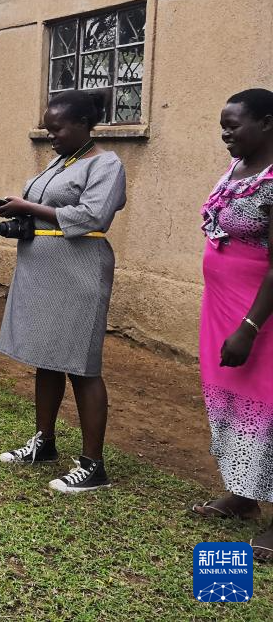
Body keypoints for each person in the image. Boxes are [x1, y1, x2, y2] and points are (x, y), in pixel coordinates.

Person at [0, 90, 126, 494]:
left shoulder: (106, 163)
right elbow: (45, 207)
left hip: (79, 269)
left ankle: (93, 465)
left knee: (82, 365)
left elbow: (93, 215)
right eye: (47, 129)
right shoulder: (60, 160)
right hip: (42, 268)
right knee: (47, 357)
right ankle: (44, 443)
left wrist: (28, 208)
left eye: (57, 129)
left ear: (84, 125)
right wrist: (20, 212)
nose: (50, 135)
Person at [190, 88, 273, 561]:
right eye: (222, 125)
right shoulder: (239, 168)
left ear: (266, 123)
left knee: (268, 408)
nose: (225, 134)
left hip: (258, 315)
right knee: (233, 401)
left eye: (233, 125)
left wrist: (249, 326)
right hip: (221, 307)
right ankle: (244, 494)